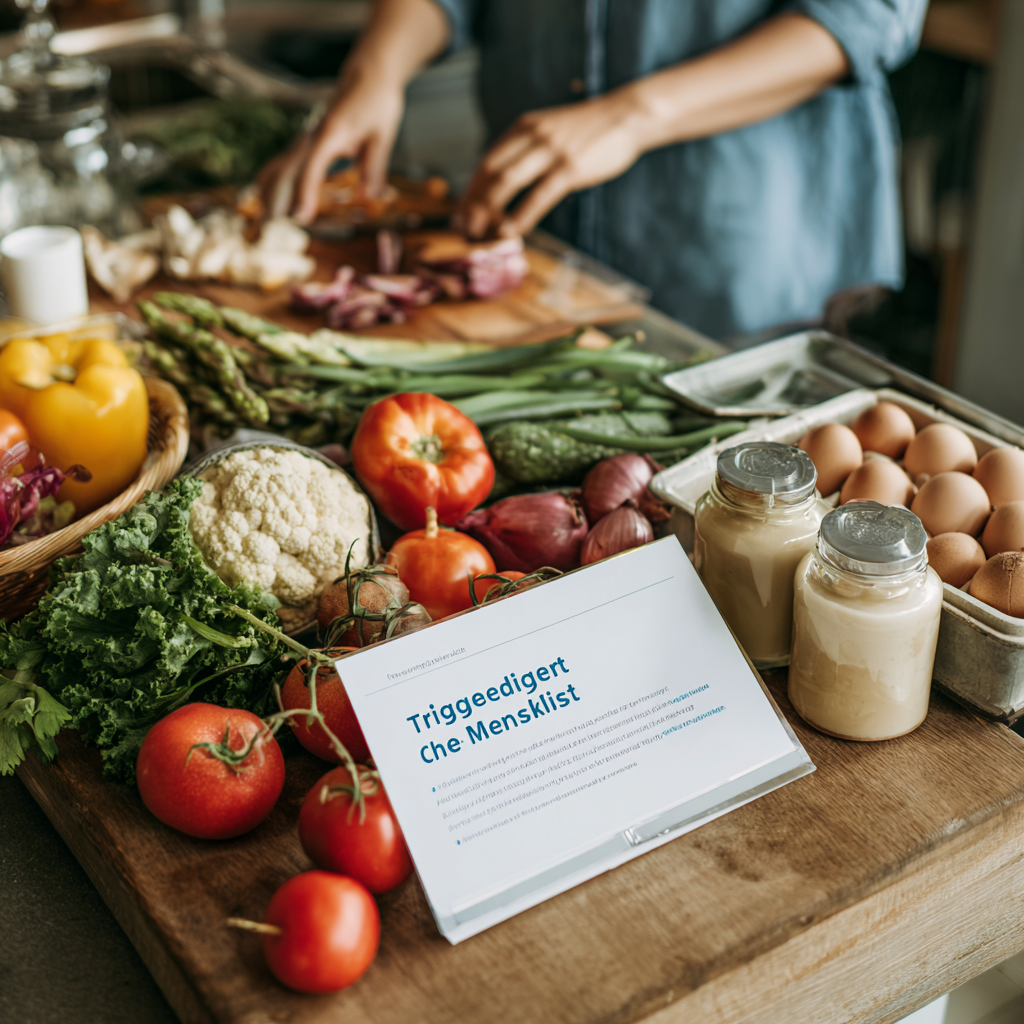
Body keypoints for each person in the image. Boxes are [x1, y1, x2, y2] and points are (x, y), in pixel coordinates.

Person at [260, 0, 927, 341]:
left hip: (745, 257)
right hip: (535, 257)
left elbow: (867, 13)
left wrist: (635, 115)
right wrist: (376, 71)